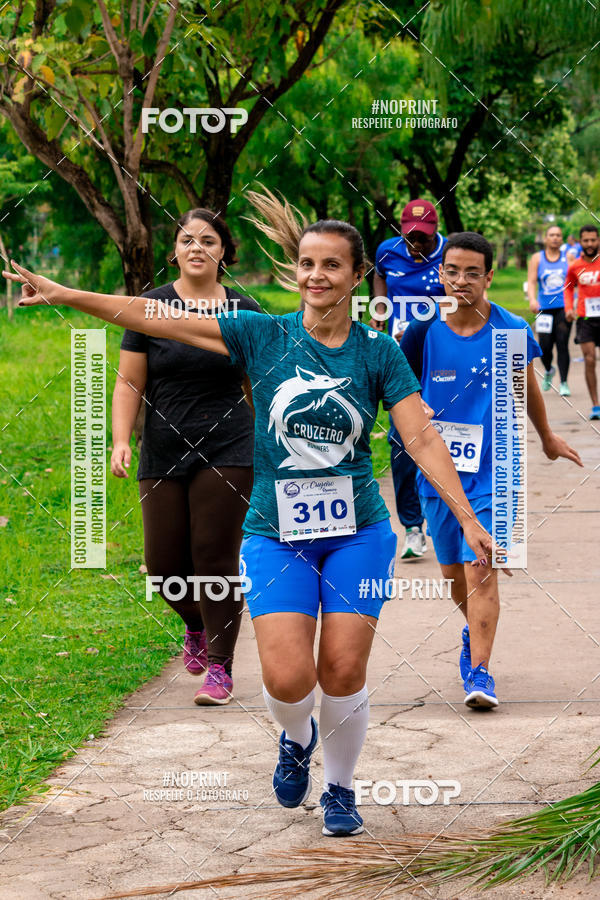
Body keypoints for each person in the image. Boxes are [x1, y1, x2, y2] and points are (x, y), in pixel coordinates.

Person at [6, 195, 495, 839]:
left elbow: (422, 439)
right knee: (288, 678)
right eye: (305, 264)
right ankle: (297, 738)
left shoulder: (377, 352)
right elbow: (153, 316)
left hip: (360, 532)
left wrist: (466, 518)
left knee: (343, 668)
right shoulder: (261, 334)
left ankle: (341, 789)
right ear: (295, 272)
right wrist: (67, 293)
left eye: (331, 265)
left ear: (355, 277)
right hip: (275, 531)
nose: (316, 275)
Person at [400, 232, 583, 708]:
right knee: (453, 574)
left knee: (482, 568)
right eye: (452, 271)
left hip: (494, 471)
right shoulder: (423, 333)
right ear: (441, 274)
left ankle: (479, 673)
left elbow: (526, 386)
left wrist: (545, 438)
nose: (461, 281)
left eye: (472, 273)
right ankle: (472, 635)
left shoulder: (509, 330)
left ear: (489, 276)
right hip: (439, 474)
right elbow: (401, 395)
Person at [111, 209, 259, 705]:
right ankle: (195, 623)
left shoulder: (243, 309)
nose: (197, 246)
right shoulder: (148, 308)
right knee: (163, 565)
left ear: (224, 252)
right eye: (187, 239)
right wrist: (120, 439)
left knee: (214, 556)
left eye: (209, 239)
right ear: (173, 252)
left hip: (229, 444)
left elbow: (257, 383)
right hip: (164, 447)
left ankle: (221, 667)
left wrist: (272, 442)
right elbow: (130, 380)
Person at [372, 199, 446, 560]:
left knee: (448, 435)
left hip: (443, 359)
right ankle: (413, 527)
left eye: (424, 237)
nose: (417, 244)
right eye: (411, 237)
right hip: (400, 359)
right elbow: (380, 279)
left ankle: (457, 516)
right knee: (402, 442)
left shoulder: (450, 256)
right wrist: (379, 315)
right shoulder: (388, 252)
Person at [527, 225, 571, 395]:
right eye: (551, 235)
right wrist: (532, 299)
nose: (555, 238)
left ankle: (564, 383)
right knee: (544, 346)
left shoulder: (568, 258)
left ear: (562, 239)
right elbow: (531, 281)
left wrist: (573, 304)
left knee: (562, 344)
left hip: (563, 307)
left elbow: (573, 282)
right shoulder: (537, 258)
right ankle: (548, 369)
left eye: (558, 235)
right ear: (546, 238)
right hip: (544, 308)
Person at [564, 224, 600, 420]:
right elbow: (568, 288)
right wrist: (569, 308)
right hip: (585, 318)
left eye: (593, 240)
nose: (589, 244)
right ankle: (596, 405)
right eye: (585, 240)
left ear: (598, 240)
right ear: (580, 242)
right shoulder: (575, 266)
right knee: (589, 359)